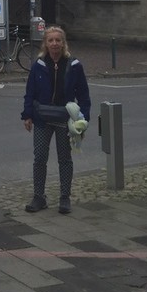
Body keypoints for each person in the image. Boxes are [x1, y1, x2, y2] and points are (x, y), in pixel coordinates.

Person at [21, 25, 91, 215]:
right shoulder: (38, 65)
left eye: (57, 40)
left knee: (65, 159)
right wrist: (27, 115)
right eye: (50, 40)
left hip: (64, 117)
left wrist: (83, 120)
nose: (54, 44)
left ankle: (64, 197)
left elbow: (84, 96)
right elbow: (30, 92)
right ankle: (38, 197)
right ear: (45, 43)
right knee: (40, 158)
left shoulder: (74, 65)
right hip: (42, 118)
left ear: (63, 43)